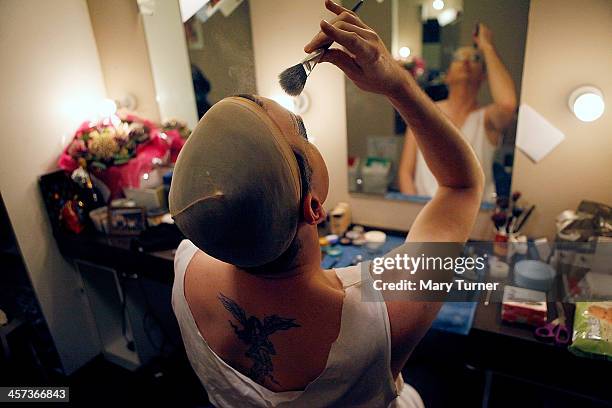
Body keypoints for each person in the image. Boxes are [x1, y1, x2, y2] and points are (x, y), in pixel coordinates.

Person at [169, 1, 484, 407]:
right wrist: (397, 85)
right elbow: (461, 186)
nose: (307, 132)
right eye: (301, 132)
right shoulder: (384, 313)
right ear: (314, 207)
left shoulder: (185, 262)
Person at [398, 24, 517, 200]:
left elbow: (508, 104)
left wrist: (487, 47)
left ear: (484, 77)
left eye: (475, 58)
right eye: (459, 57)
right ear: (447, 76)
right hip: (425, 213)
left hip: (473, 219)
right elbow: (406, 173)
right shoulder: (423, 111)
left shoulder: (487, 119)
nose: (466, 61)